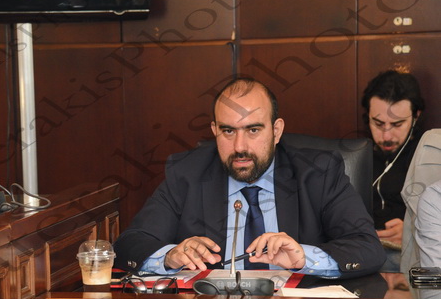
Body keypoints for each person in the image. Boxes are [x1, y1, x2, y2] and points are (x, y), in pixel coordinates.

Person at [114, 77, 386, 279]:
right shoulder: (187, 173)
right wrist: (169, 256)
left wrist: (305, 257)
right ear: (214, 130)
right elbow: (130, 244)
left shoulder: (318, 173)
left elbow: (367, 248)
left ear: (276, 131)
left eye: (253, 130)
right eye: (228, 131)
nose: (240, 147)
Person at [361, 70, 426, 272]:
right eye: (378, 123)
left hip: (409, 254)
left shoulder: (428, 156)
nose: (387, 135)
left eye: (397, 124)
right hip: (361, 250)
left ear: (415, 116)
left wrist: (413, 230)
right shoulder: (357, 154)